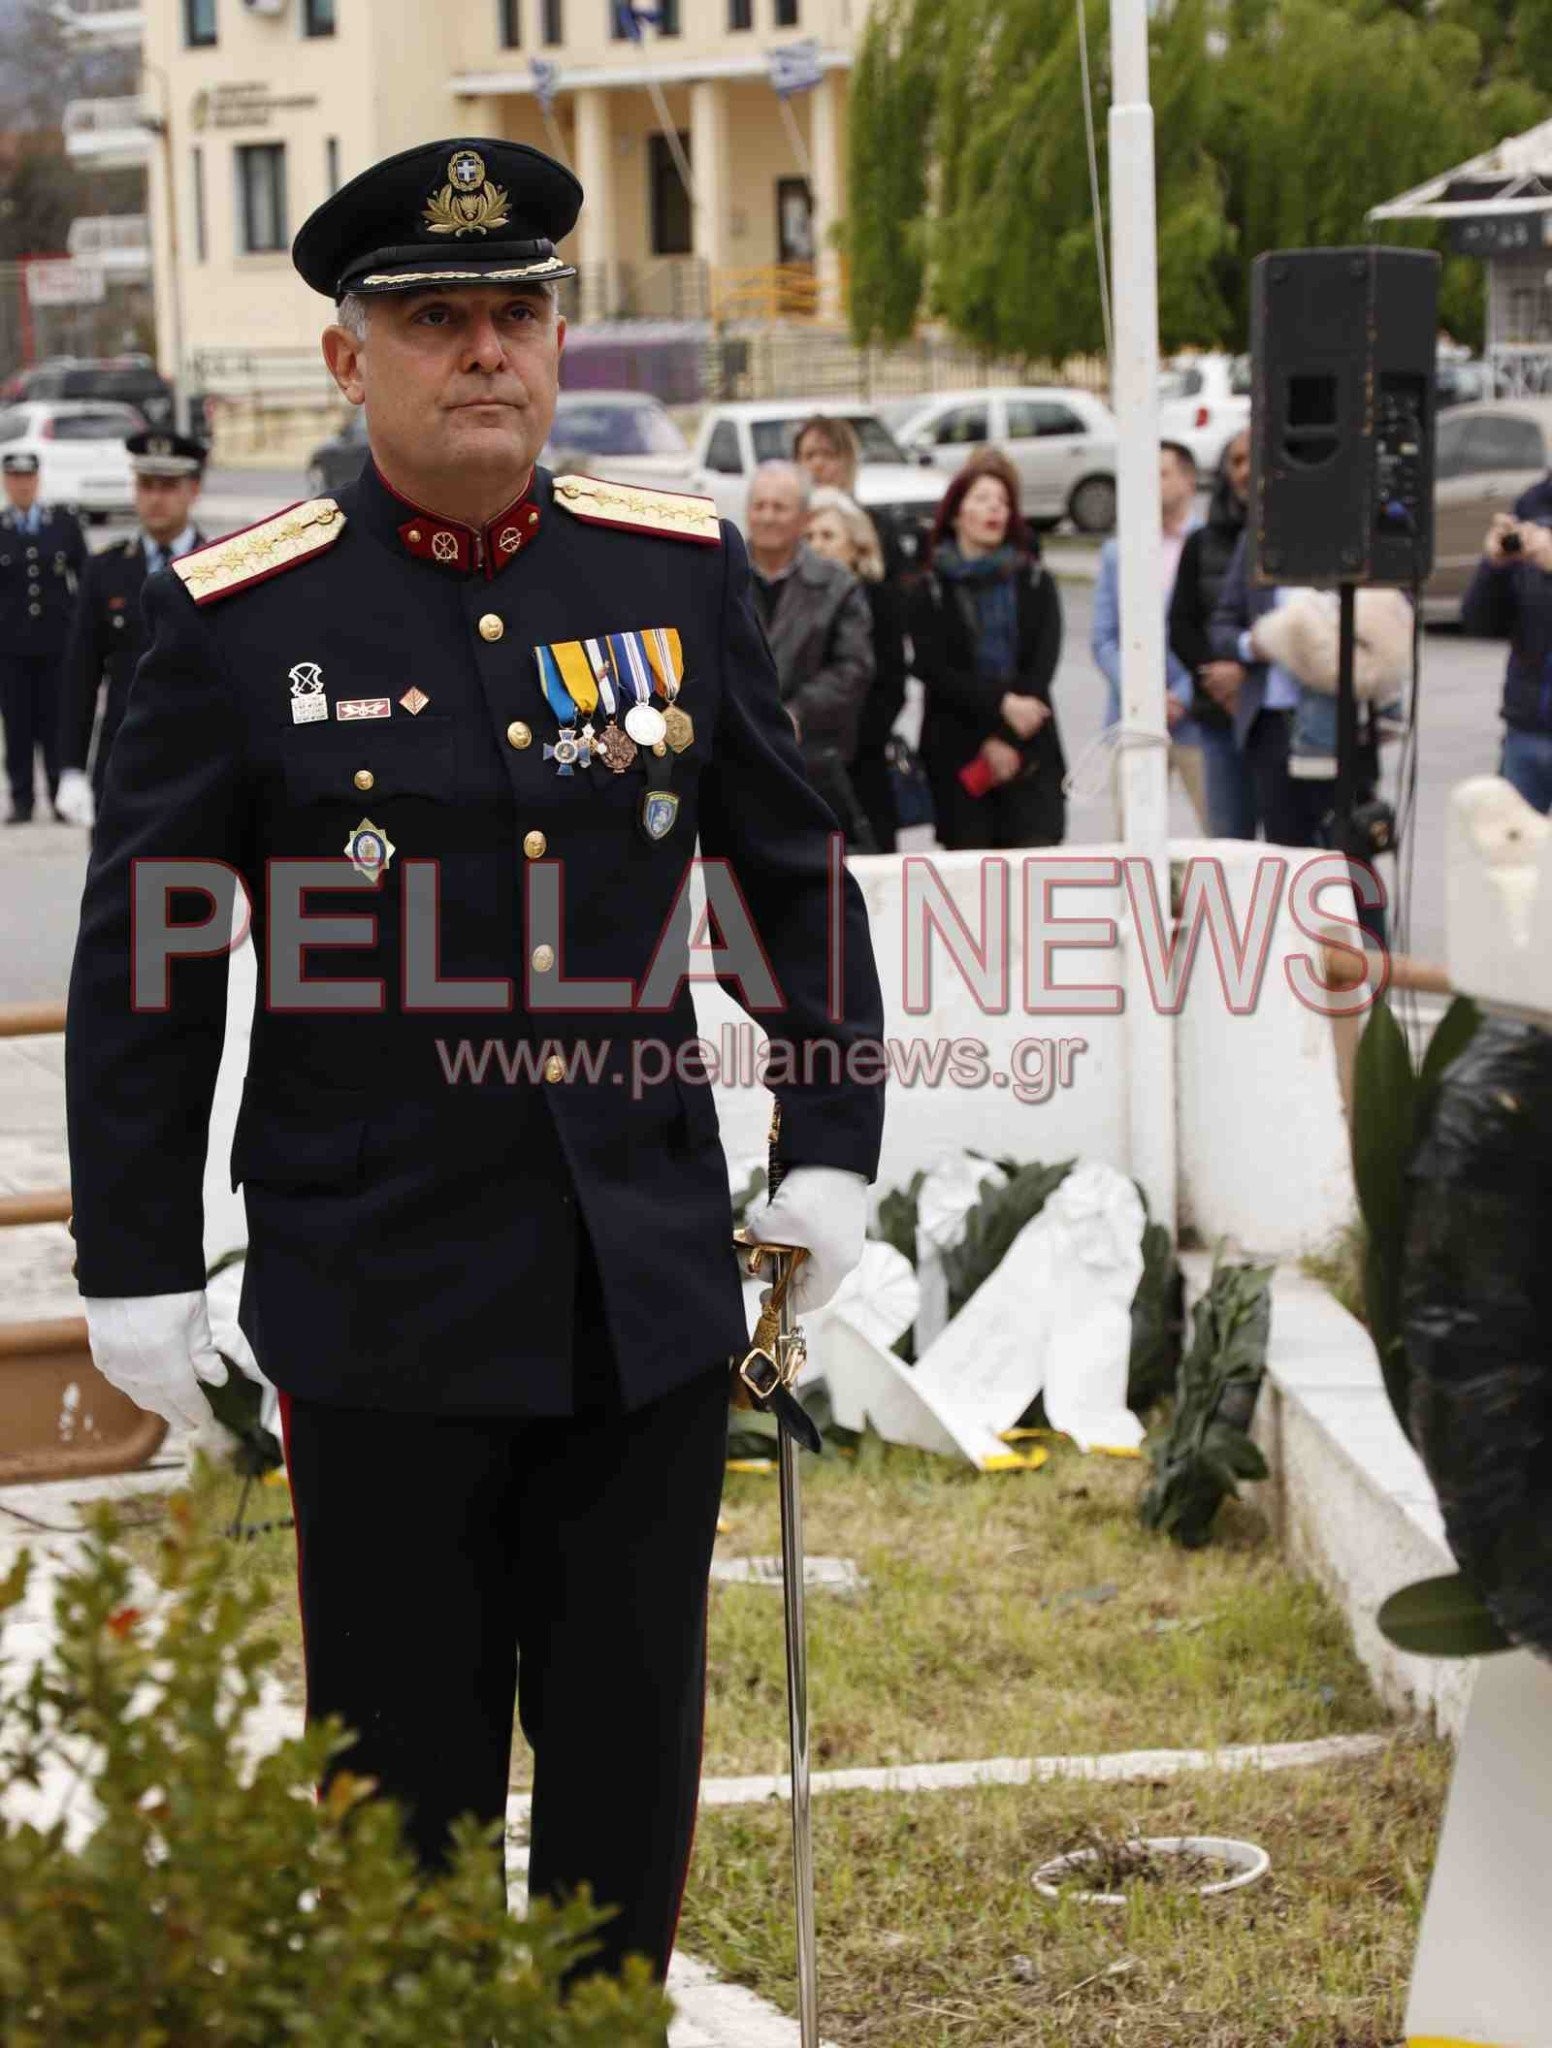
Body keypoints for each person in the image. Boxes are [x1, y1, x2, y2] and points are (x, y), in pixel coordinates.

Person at [65, 137, 885, 1996]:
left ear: (560, 331)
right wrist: (131, 1260)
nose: (486, 352)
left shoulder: (668, 570)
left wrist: (829, 1135)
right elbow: (149, 975)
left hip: (642, 1301)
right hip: (383, 1313)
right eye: (437, 319)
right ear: (352, 360)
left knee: (619, 1800)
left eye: (517, 311)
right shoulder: (234, 620)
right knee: (405, 1813)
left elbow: (785, 878)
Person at [908, 449, 1065, 849]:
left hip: (1028, 750)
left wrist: (1007, 738)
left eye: (1003, 501)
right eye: (981, 499)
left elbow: (1041, 667)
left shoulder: (1034, 582)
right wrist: (1001, 705)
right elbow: (934, 669)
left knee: (1033, 890)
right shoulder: (930, 590)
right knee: (971, 893)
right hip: (958, 754)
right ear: (957, 513)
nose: (994, 508)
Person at [56, 429, 209, 828]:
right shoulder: (105, 569)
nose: (155, 497)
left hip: (203, 763)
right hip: (122, 763)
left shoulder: (222, 566)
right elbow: (81, 672)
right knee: (115, 889)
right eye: (146, 485)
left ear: (193, 489)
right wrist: (71, 767)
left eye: (168, 486)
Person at [745, 458, 876, 849]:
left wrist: (798, 712)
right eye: (759, 506)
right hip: (738, 761)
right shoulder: (720, 577)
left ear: (803, 519)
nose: (767, 517)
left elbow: (854, 666)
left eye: (779, 507)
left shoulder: (837, 585)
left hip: (815, 763)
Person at [1090, 439, 1209, 831]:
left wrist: (1185, 694)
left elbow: (1217, 632)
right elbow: (1104, 639)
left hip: (1199, 717)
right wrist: (1143, 694)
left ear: (1189, 481)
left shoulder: (1212, 546)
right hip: (1135, 717)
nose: (1150, 482)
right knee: (1131, 841)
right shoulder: (1117, 552)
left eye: (1162, 473)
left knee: (1220, 834)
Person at [806, 484, 906, 851]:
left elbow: (892, 686)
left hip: (860, 765)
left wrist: (844, 743)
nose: (816, 544)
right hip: (805, 766)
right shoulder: (794, 601)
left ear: (857, 545)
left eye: (828, 535)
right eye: (809, 536)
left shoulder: (878, 600)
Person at [1168, 428, 1256, 837]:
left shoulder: (1296, 545)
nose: (1245, 471)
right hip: (1218, 718)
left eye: (1253, 458)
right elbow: (1182, 625)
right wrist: (1217, 677)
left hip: (1276, 718)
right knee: (1228, 845)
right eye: (1235, 462)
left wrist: (1247, 675)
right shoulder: (1201, 543)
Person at [0, 449, 86, 823]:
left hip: (56, 644)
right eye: (14, 478)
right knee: (16, 725)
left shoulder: (62, 525)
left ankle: (58, 796)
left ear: (37, 480)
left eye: (27, 478)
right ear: (6, 482)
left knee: (56, 724)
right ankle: (22, 800)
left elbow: (86, 583)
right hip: (10, 647)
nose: (21, 485)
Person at [1460, 505, 1552, 814]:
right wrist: (1494, 568)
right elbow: (1479, 623)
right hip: (1526, 730)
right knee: (1514, 855)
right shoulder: (1534, 541)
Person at [793, 413, 860, 497]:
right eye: (809, 456)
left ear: (849, 461)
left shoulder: (855, 510)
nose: (818, 464)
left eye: (828, 455)